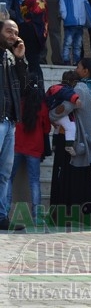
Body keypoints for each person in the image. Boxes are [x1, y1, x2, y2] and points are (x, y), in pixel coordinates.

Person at [49, 58, 91, 227]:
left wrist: (50, 114)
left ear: (85, 71)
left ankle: (63, 215)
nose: (76, 68)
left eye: (79, 66)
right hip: (88, 141)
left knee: (65, 176)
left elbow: (65, 108)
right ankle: (88, 215)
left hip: (73, 140)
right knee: (85, 178)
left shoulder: (80, 88)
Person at [7, 72, 49, 224]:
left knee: (8, 179)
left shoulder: (19, 102)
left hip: (17, 145)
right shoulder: (42, 106)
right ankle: (37, 217)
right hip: (35, 148)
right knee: (34, 182)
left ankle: (4, 212)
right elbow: (46, 129)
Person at [0, 18, 27, 230]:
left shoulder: (11, 56)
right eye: (9, 31)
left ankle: (1, 216)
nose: (13, 35)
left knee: (5, 173)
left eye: (16, 32)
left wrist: (20, 59)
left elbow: (24, 86)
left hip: (10, 121)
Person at [60, 0, 91, 66]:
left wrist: (89, 21)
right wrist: (65, 17)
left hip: (80, 25)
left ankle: (77, 61)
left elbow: (87, 9)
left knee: (78, 45)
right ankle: (66, 60)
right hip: (70, 24)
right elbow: (62, 8)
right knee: (68, 43)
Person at [45, 70, 81, 155]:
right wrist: (76, 99)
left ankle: (54, 144)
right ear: (73, 82)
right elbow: (68, 94)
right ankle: (69, 145)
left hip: (50, 112)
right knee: (71, 127)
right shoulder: (66, 89)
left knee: (57, 128)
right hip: (57, 113)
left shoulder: (54, 87)